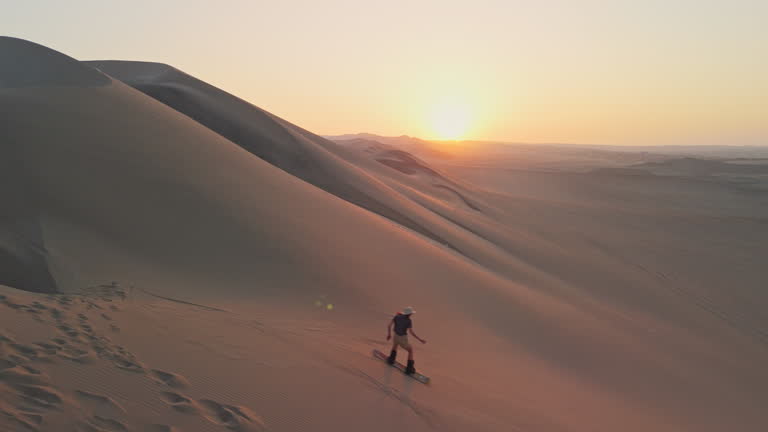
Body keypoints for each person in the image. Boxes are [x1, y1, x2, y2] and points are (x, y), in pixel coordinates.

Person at [386, 306, 426, 374]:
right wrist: (420, 339)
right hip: (402, 338)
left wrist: (389, 335)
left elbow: (389, 326)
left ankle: (391, 360)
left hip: (395, 336)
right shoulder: (408, 321)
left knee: (395, 345)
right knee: (410, 350)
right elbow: (411, 332)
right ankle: (409, 369)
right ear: (410, 314)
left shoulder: (397, 316)